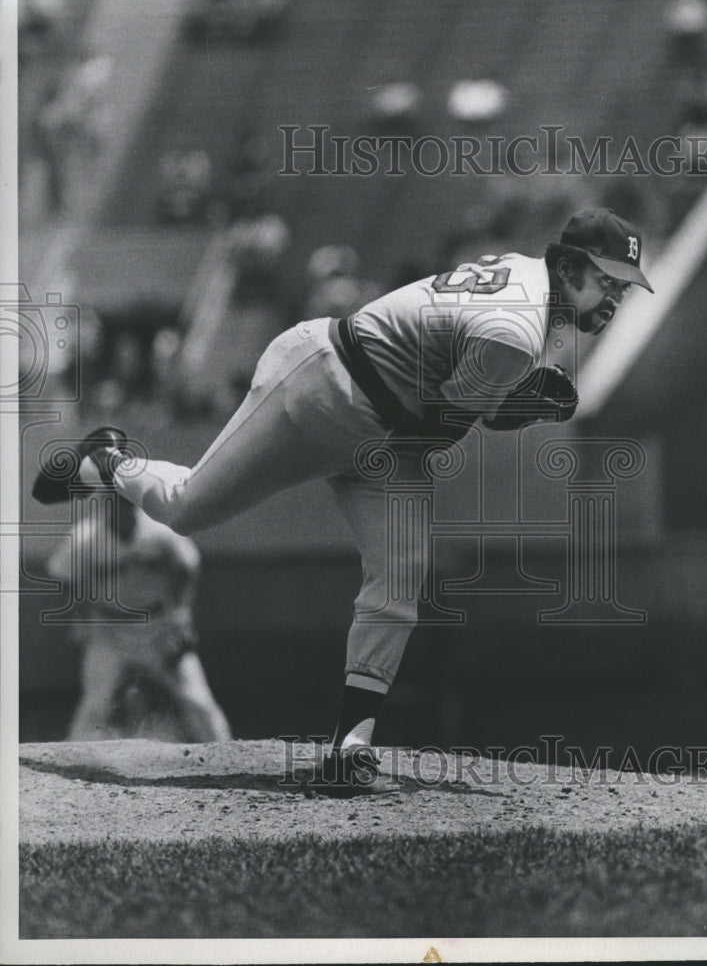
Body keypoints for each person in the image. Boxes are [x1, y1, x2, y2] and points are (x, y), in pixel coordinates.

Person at [33, 208, 653, 792]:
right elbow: (441, 427)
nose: (616, 297)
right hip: (326, 386)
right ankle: (107, 461)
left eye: (625, 286)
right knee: (187, 508)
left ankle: (349, 746)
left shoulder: (525, 285)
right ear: (569, 268)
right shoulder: (517, 331)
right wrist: (511, 410)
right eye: (609, 280)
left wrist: (503, 405)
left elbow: (439, 406)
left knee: (402, 579)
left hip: (384, 431)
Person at [43, 495, 232, 744]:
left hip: (158, 626)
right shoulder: (86, 537)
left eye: (125, 500)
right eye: (114, 500)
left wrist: (181, 618)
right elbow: (65, 577)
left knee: (197, 699)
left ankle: (227, 752)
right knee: (96, 702)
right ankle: (72, 762)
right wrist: (81, 620)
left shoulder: (160, 531)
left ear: (135, 504)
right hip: (109, 629)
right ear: (104, 503)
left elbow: (187, 569)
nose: (120, 506)